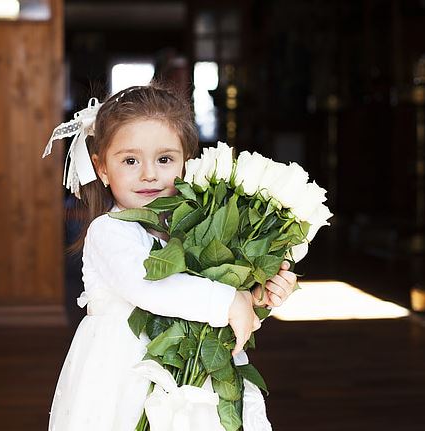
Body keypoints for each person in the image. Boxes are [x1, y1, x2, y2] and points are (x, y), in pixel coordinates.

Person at [42, 84, 297, 431]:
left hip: (194, 378)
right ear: (102, 168)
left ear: (186, 162)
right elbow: (149, 287)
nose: (149, 173)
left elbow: (210, 300)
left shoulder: (194, 230)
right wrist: (227, 301)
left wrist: (254, 297)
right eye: (130, 160)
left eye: (164, 160)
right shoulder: (109, 231)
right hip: (125, 377)